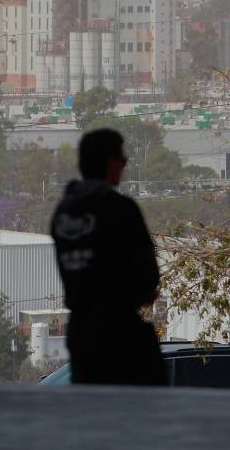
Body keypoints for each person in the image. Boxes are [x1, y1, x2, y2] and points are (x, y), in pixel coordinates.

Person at [49, 128, 167, 386]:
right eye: (122, 158)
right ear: (110, 162)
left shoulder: (62, 213)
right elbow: (148, 278)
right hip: (121, 336)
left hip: (81, 336)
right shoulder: (120, 209)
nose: (125, 164)